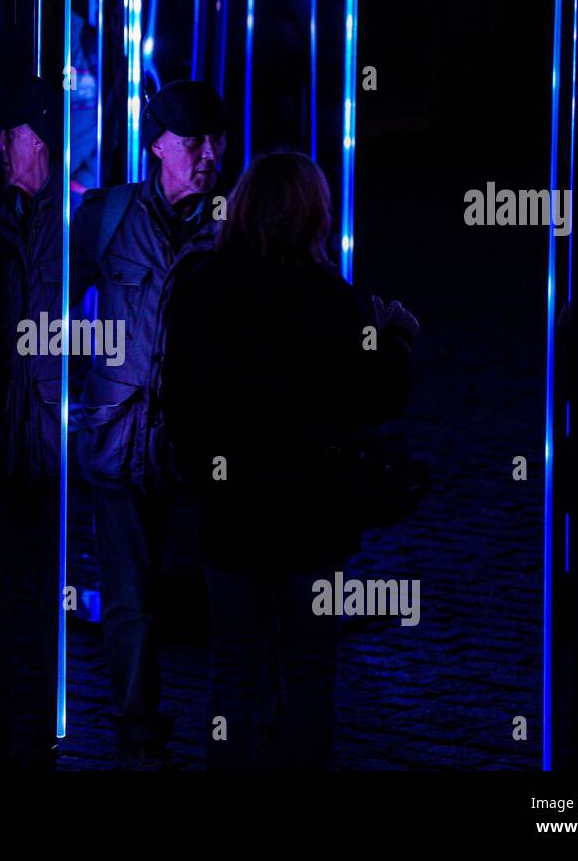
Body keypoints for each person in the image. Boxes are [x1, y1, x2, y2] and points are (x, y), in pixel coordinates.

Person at [160, 151, 418, 770]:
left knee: (232, 671)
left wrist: (203, 475)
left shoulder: (202, 286)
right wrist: (398, 341)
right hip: (312, 518)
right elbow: (374, 397)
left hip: (233, 515)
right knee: (309, 673)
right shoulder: (331, 299)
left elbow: (179, 398)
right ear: (314, 216)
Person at [69, 79, 229, 768]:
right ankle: (138, 731)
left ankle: (239, 732)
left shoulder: (236, 225)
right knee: (130, 599)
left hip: (201, 448)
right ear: (155, 145)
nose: (208, 156)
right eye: (192, 142)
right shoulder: (106, 216)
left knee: (228, 598)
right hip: (118, 438)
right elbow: (52, 302)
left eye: (216, 142)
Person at [0, 75, 65, 770]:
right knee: (5, 590)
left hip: (45, 437)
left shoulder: (74, 222)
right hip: (7, 436)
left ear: (36, 140)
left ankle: (33, 729)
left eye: (10, 137)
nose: (1, 148)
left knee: (35, 591)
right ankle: (10, 725)